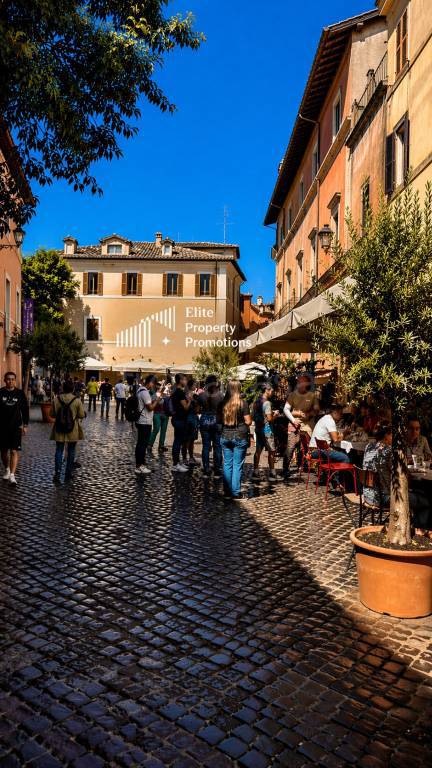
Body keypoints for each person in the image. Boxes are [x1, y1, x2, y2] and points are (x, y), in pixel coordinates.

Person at [218, 379, 251, 500]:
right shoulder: (243, 403)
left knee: (227, 464)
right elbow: (248, 421)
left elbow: (218, 420)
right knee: (237, 465)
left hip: (225, 435)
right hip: (239, 436)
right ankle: (236, 492)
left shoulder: (222, 403)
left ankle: (227, 492)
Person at [283, 373, 320, 479]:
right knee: (291, 446)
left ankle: (302, 465)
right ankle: (286, 469)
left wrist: (310, 413)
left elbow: (317, 409)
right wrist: (293, 419)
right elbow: (286, 409)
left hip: (307, 424)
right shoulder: (292, 395)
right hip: (294, 423)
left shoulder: (312, 396)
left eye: (301, 382)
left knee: (306, 446)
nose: (298, 383)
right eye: (298, 382)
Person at [50, 378, 85, 483]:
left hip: (59, 428)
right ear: (73, 389)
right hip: (72, 428)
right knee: (71, 451)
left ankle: (57, 473)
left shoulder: (56, 399)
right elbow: (81, 415)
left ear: (63, 388)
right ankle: (68, 473)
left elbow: (51, 414)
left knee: (59, 451)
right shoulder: (77, 400)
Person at [0, 371, 29, 486]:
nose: (10, 381)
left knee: (14, 450)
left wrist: (25, 425)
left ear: (15, 380)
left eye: (12, 379)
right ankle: (7, 468)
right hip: (2, 427)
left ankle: (12, 475)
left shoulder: (20, 393)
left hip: (16, 427)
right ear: (4, 380)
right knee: (3, 452)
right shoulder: (0, 392)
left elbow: (25, 410)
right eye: (8, 379)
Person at [135, 375, 161, 475]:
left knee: (140, 444)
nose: (153, 386)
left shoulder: (139, 390)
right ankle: (140, 466)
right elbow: (150, 408)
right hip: (145, 421)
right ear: (150, 382)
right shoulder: (145, 392)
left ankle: (140, 465)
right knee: (143, 444)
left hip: (141, 420)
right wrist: (157, 401)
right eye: (153, 383)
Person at [198, 375, 223, 477]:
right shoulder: (221, 396)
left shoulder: (201, 395)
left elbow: (196, 409)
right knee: (217, 447)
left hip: (204, 421)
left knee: (206, 446)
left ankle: (206, 468)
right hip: (217, 422)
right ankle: (217, 469)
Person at [363, 424, 393, 507]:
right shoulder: (388, 450)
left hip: (367, 495)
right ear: (386, 435)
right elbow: (396, 472)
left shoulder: (368, 446)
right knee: (425, 501)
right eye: (392, 434)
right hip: (382, 497)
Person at [252, 383, 277, 482]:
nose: (272, 393)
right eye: (271, 391)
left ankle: (256, 471)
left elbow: (253, 415)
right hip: (267, 430)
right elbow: (269, 418)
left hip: (258, 429)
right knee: (271, 450)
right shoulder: (267, 403)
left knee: (258, 450)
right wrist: (275, 415)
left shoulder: (256, 402)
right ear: (266, 390)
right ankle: (272, 472)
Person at [171, 373, 191, 473]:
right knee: (178, 442)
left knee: (178, 441)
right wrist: (190, 400)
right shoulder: (180, 392)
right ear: (180, 381)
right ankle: (175, 464)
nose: (186, 381)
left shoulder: (175, 391)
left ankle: (177, 463)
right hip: (180, 419)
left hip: (177, 418)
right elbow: (186, 407)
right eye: (184, 380)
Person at [182, 378, 200, 467]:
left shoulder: (186, 394)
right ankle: (187, 458)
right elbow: (196, 409)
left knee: (189, 440)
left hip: (189, 418)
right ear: (191, 385)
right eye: (195, 385)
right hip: (190, 419)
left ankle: (189, 458)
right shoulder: (190, 395)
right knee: (188, 440)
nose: (196, 386)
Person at [148, 383, 169, 453]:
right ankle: (150, 445)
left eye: (160, 387)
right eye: (159, 387)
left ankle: (161, 445)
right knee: (156, 429)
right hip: (157, 414)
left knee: (163, 431)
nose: (160, 388)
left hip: (165, 415)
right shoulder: (154, 395)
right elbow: (153, 403)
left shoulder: (165, 395)